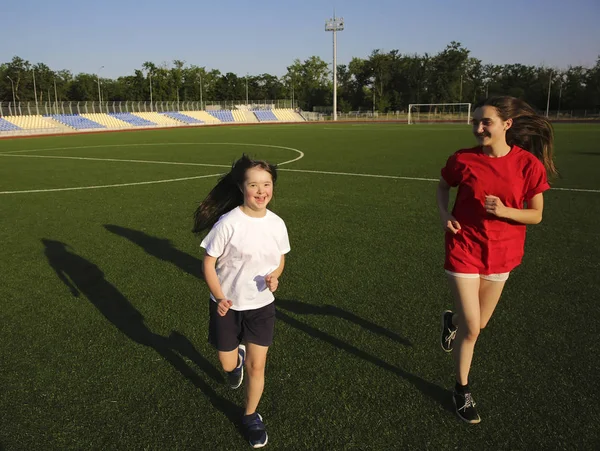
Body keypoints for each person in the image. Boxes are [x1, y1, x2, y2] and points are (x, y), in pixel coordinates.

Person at [436, 96, 557, 424]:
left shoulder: (529, 165)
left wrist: (505, 211)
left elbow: (537, 216)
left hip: (502, 254)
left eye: (486, 122)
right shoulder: (463, 159)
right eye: (475, 122)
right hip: (463, 248)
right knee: (474, 328)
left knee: (478, 324)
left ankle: (452, 321)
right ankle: (461, 389)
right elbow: (443, 186)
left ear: (507, 124)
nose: (478, 128)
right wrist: (445, 213)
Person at [193, 154, 290, 448]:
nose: (261, 191)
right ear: (241, 188)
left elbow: (280, 258)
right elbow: (208, 263)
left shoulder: (276, 224)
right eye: (253, 185)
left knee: (258, 368)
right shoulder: (228, 223)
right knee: (227, 363)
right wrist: (220, 297)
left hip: (261, 306)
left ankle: (250, 416)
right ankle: (235, 363)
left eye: (266, 184)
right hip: (228, 305)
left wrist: (275, 277)